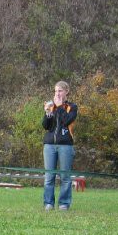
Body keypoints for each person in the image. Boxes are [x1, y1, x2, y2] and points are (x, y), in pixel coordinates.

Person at [42, 80, 77, 211]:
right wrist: (48, 113)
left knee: (65, 177)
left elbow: (66, 120)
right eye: (56, 91)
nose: (57, 93)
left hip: (65, 146)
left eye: (60, 91)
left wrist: (60, 106)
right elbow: (46, 126)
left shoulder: (72, 107)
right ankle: (48, 203)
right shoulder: (52, 106)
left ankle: (64, 204)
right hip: (49, 145)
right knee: (49, 177)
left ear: (66, 92)